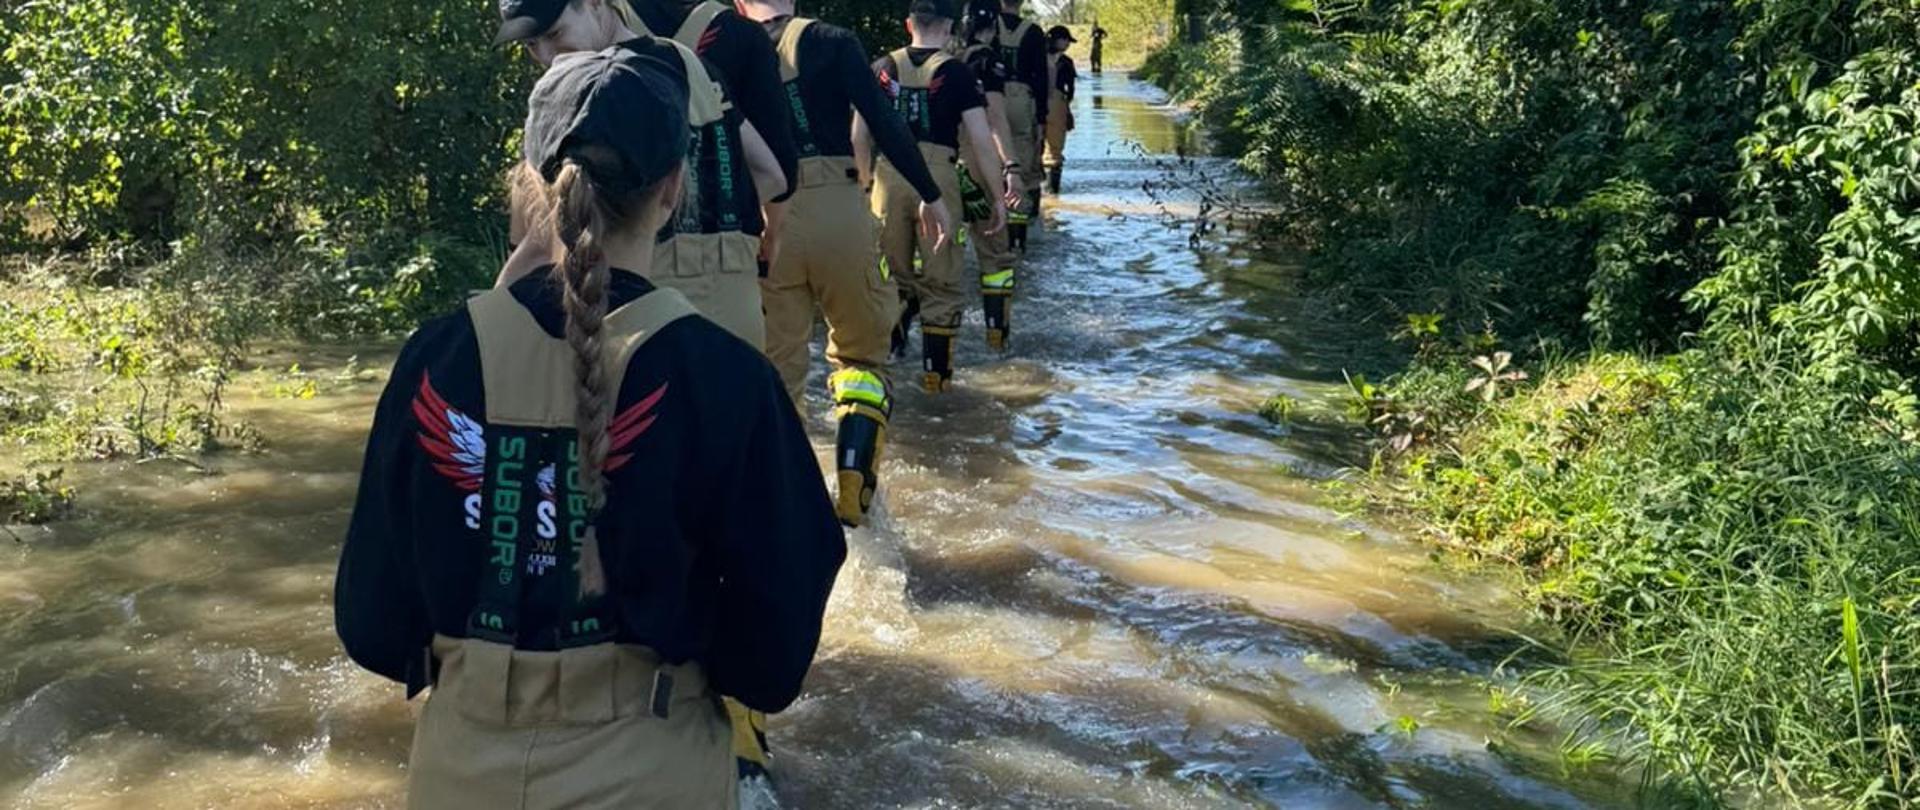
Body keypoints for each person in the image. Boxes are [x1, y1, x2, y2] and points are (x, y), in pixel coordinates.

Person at [334, 47, 845, 809]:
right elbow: (773, 658)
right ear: (672, 189)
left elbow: (371, 622)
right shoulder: (724, 378)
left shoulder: (435, 360)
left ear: (529, 180)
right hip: (652, 768)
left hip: (459, 771)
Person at [730, 0, 953, 530]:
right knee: (863, 358)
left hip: (766, 218)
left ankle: (783, 511)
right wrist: (930, 194)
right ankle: (853, 480)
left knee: (778, 369)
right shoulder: (833, 41)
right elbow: (883, 124)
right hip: (840, 210)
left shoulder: (726, 46)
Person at [498, 0, 790, 350]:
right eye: (531, 44)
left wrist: (486, 325)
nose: (546, 56)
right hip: (737, 309)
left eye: (554, 33)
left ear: (593, 4)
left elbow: (541, 243)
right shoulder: (692, 65)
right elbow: (772, 174)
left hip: (647, 318)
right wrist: (705, 219)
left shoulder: (589, 96)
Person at [868, 0, 1009, 393]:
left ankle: (889, 359)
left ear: (907, 23)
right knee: (941, 279)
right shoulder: (957, 72)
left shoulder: (881, 68)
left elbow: (859, 135)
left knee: (889, 273)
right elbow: (981, 140)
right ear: (948, 28)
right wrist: (997, 196)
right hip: (940, 175)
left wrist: (863, 184)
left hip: (886, 178)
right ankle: (936, 380)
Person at [952, 0, 1027, 353]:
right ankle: (998, 340)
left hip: (940, 168)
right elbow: (994, 119)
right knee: (995, 254)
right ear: (993, 24)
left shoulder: (944, 57)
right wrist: (1011, 167)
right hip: (978, 165)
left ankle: (902, 342)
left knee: (930, 262)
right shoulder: (987, 61)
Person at [980, 0, 1047, 252]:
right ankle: (1018, 237)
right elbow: (1041, 78)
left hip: (988, 93)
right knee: (1022, 165)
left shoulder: (988, 24)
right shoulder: (1033, 31)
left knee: (989, 154)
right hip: (1021, 97)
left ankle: (991, 225)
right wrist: (1041, 118)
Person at [1041, 25, 1077, 195]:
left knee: (1050, 149)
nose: (1068, 44)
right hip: (1049, 103)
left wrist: (1066, 111)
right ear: (1057, 40)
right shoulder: (1041, 59)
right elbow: (1070, 90)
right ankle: (1048, 191)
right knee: (1045, 148)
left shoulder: (1065, 62)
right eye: (1066, 40)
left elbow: (1070, 90)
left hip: (1050, 104)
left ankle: (1049, 191)